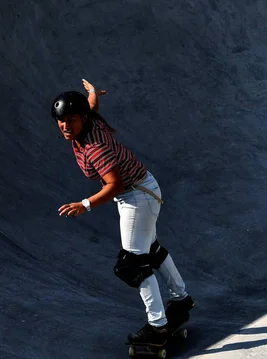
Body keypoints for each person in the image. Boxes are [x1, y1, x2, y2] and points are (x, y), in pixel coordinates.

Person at [53, 79, 194, 344]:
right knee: (150, 251)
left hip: (136, 196)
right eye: (61, 121)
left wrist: (84, 205)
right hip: (143, 190)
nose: (65, 126)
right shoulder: (88, 119)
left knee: (132, 265)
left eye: (71, 120)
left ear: (82, 119)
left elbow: (113, 184)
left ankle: (158, 325)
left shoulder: (96, 148)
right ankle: (182, 300)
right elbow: (91, 105)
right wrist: (92, 93)